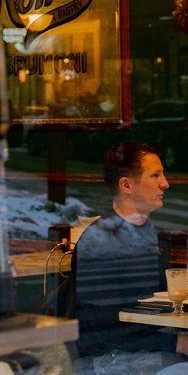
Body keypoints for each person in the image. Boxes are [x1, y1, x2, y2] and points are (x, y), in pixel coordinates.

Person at [71, 141, 173, 357]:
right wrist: (174, 344)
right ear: (126, 185)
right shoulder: (99, 242)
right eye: (155, 176)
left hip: (151, 348)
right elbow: (102, 329)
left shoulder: (155, 237)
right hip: (113, 361)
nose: (165, 184)